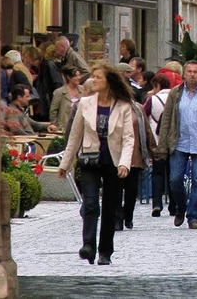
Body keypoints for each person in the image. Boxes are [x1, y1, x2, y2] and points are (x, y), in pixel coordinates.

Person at [57, 63, 135, 266]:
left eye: (98, 77)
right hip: (89, 159)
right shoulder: (85, 103)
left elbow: (128, 139)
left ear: (109, 81)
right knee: (90, 204)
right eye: (93, 77)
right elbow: (74, 136)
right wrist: (65, 164)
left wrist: (125, 163)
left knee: (109, 207)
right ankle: (88, 245)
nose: (94, 80)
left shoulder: (124, 106)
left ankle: (105, 251)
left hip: (114, 161)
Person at [157, 61, 197, 230]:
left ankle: (193, 217)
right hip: (179, 142)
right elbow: (166, 121)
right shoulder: (175, 94)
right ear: (184, 74)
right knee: (175, 180)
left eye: (195, 72)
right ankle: (181, 207)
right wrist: (162, 145)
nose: (192, 75)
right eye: (189, 72)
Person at [115, 97, 156, 231]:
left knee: (131, 189)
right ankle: (117, 217)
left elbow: (147, 130)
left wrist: (153, 150)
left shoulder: (137, 108)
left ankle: (128, 215)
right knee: (115, 188)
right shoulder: (111, 107)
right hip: (115, 155)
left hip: (135, 156)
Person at [143, 73, 173, 218]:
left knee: (158, 173)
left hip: (157, 140)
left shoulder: (153, 99)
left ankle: (157, 204)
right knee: (173, 173)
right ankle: (174, 205)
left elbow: (143, 114)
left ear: (157, 86)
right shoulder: (176, 98)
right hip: (173, 141)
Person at [50, 66, 85, 131]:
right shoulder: (59, 92)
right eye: (75, 76)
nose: (78, 78)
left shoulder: (83, 90)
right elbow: (53, 111)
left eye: (79, 75)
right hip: (64, 127)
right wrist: (54, 125)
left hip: (80, 126)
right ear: (68, 77)